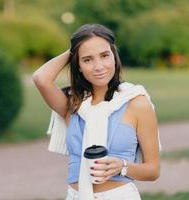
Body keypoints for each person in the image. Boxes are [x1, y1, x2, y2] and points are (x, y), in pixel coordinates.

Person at [33, 24, 160, 200]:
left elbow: (153, 170)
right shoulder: (74, 104)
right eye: (87, 59)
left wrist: (122, 166)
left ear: (114, 57)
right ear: (77, 65)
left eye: (104, 55)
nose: (98, 66)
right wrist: (75, 48)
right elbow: (41, 79)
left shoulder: (136, 102)